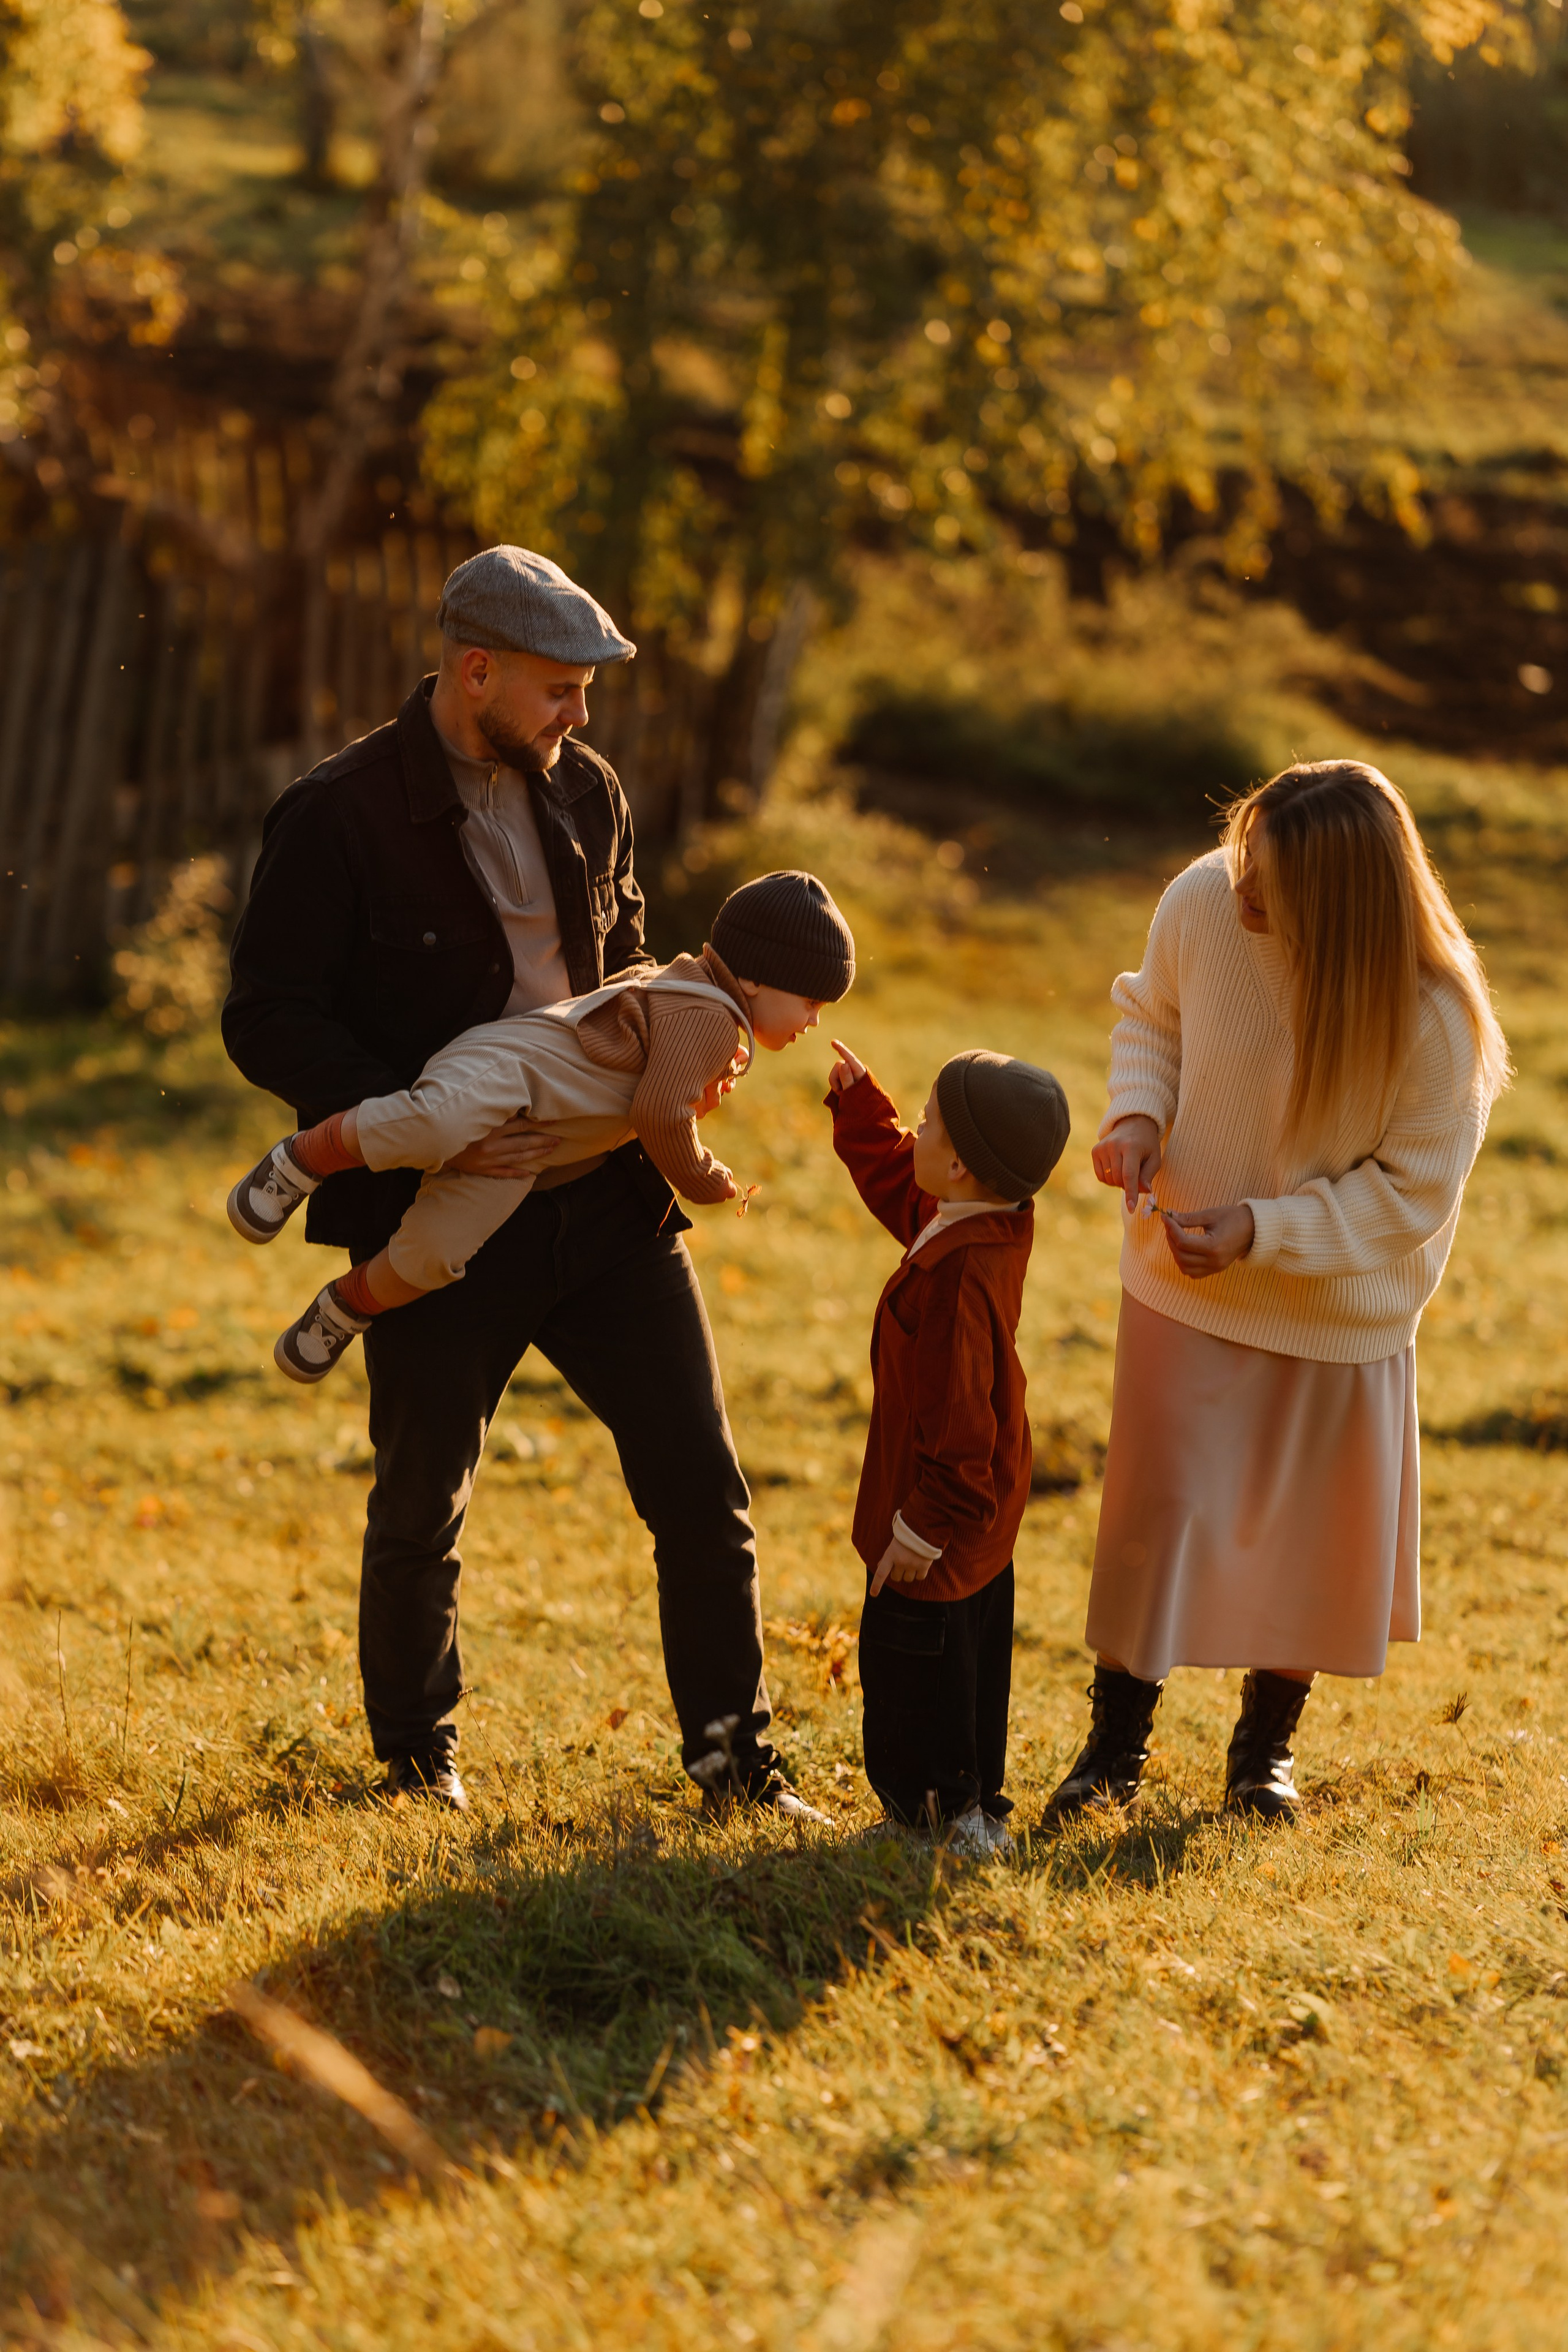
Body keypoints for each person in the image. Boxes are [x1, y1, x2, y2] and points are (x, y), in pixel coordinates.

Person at [222, 543, 853, 1817]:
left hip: (606, 1205)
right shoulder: (337, 814)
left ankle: (733, 1761)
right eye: (558, 692)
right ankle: (414, 1763)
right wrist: (430, 1124)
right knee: (422, 1497)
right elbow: (266, 1016)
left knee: (701, 1490)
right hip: (442, 1197)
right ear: (475, 672)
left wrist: (662, 1068)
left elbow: (617, 961)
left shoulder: (589, 791)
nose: (579, 717)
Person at [1047, 760, 1509, 1825]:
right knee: (1156, 1521)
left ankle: (1263, 1758)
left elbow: (1410, 1195)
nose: (1241, 889)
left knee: (1311, 1534)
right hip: (1182, 1286)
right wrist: (1136, 1120)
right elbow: (1152, 1021)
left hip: (1337, 1314)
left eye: (1272, 882)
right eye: (1246, 857)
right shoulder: (1206, 899)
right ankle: (1113, 1751)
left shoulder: (1438, 1019)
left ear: (1343, 907)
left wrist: (1263, 1229)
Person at [225, 874, 848, 1382]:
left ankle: (346, 1305)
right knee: (436, 1125)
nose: (813, 1022)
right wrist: (705, 1178)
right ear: (758, 977)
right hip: (509, 1073)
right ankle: (302, 1159)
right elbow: (658, 1114)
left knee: (438, 1252)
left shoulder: (692, 1001)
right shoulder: (708, 1016)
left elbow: (653, 1089)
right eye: (811, 1003)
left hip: (530, 1145)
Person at [824, 1038, 1071, 1851]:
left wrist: (922, 1525)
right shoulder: (983, 1223)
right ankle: (966, 1808)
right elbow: (904, 1183)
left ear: (961, 1166)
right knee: (966, 1659)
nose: (915, 1134)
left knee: (912, 1669)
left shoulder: (958, 1281)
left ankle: (932, 1817)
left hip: (939, 1506)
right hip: (974, 1514)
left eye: (924, 1123)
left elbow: (963, 1421)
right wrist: (867, 1110)